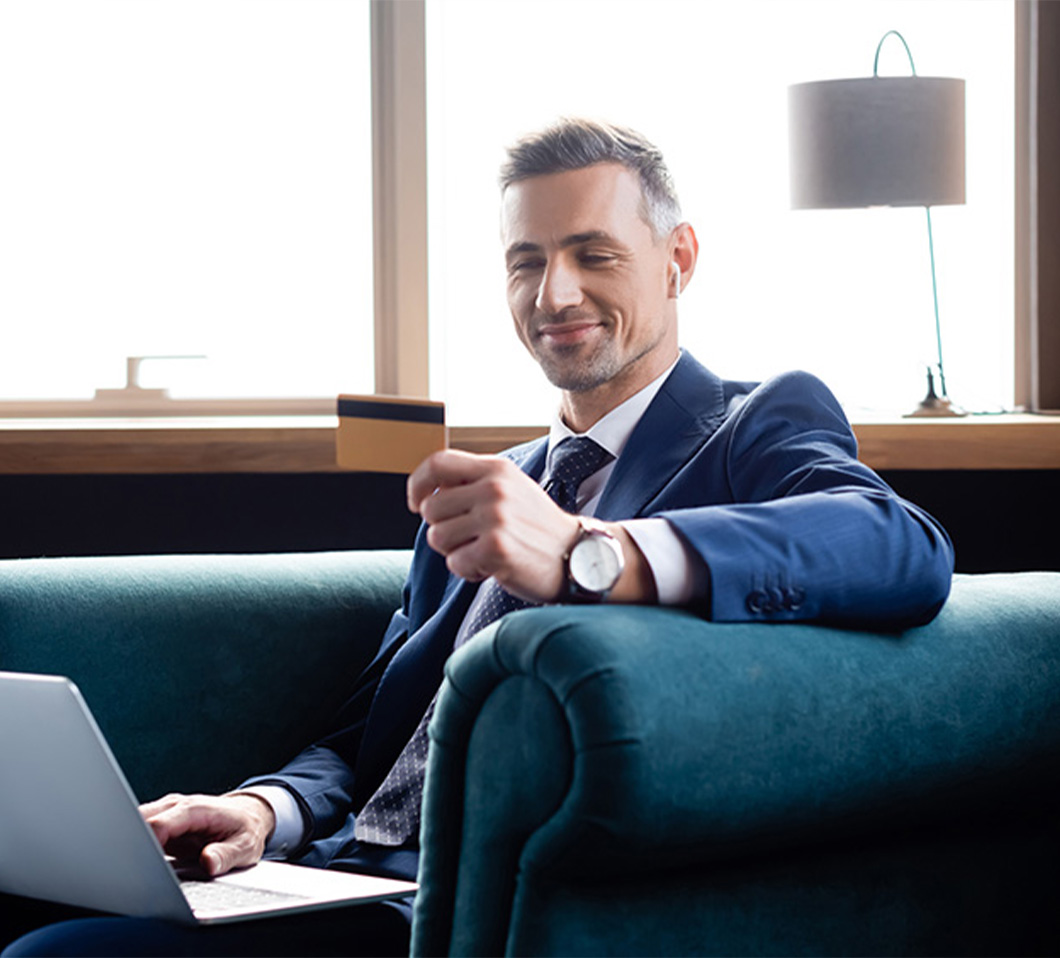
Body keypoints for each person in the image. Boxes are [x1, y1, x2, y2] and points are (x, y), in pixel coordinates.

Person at [4, 118, 954, 957]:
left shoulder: (756, 421)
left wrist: (592, 553)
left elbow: (897, 544)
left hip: (479, 899)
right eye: (527, 261)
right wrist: (264, 811)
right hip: (341, 874)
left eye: (595, 253)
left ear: (680, 259)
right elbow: (373, 726)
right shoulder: (491, 485)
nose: (555, 293)